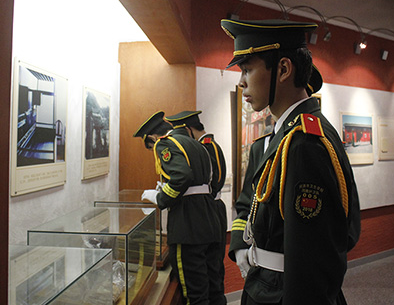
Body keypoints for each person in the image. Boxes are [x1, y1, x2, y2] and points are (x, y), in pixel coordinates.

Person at [222, 18, 361, 305]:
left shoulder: (304, 145)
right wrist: (241, 247)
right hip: (267, 285)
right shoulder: (285, 137)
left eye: (247, 69)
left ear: (283, 70)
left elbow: (312, 261)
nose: (241, 81)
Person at [134, 111, 225, 305]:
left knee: (195, 295)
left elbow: (182, 176)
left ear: (153, 137)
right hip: (209, 218)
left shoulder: (165, 144)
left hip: (187, 226)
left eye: (151, 147)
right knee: (213, 287)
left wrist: (161, 198)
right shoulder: (196, 144)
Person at [164, 110, 228, 302]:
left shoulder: (207, 146)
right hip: (208, 210)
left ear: (188, 129)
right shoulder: (202, 145)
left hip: (210, 209)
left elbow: (215, 182)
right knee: (210, 275)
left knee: (212, 274)